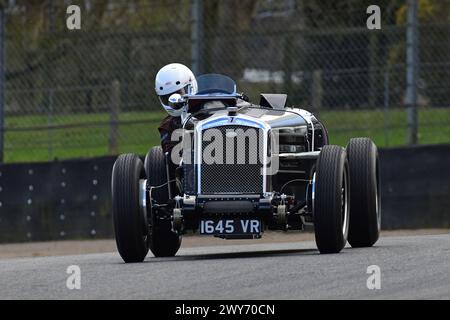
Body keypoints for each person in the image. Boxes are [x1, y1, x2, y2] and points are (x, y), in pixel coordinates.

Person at [154, 63, 198, 169]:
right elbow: (173, 161)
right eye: (167, 98)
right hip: (191, 173)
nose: (176, 101)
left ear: (191, 87)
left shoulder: (209, 109)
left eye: (180, 93)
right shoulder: (168, 125)